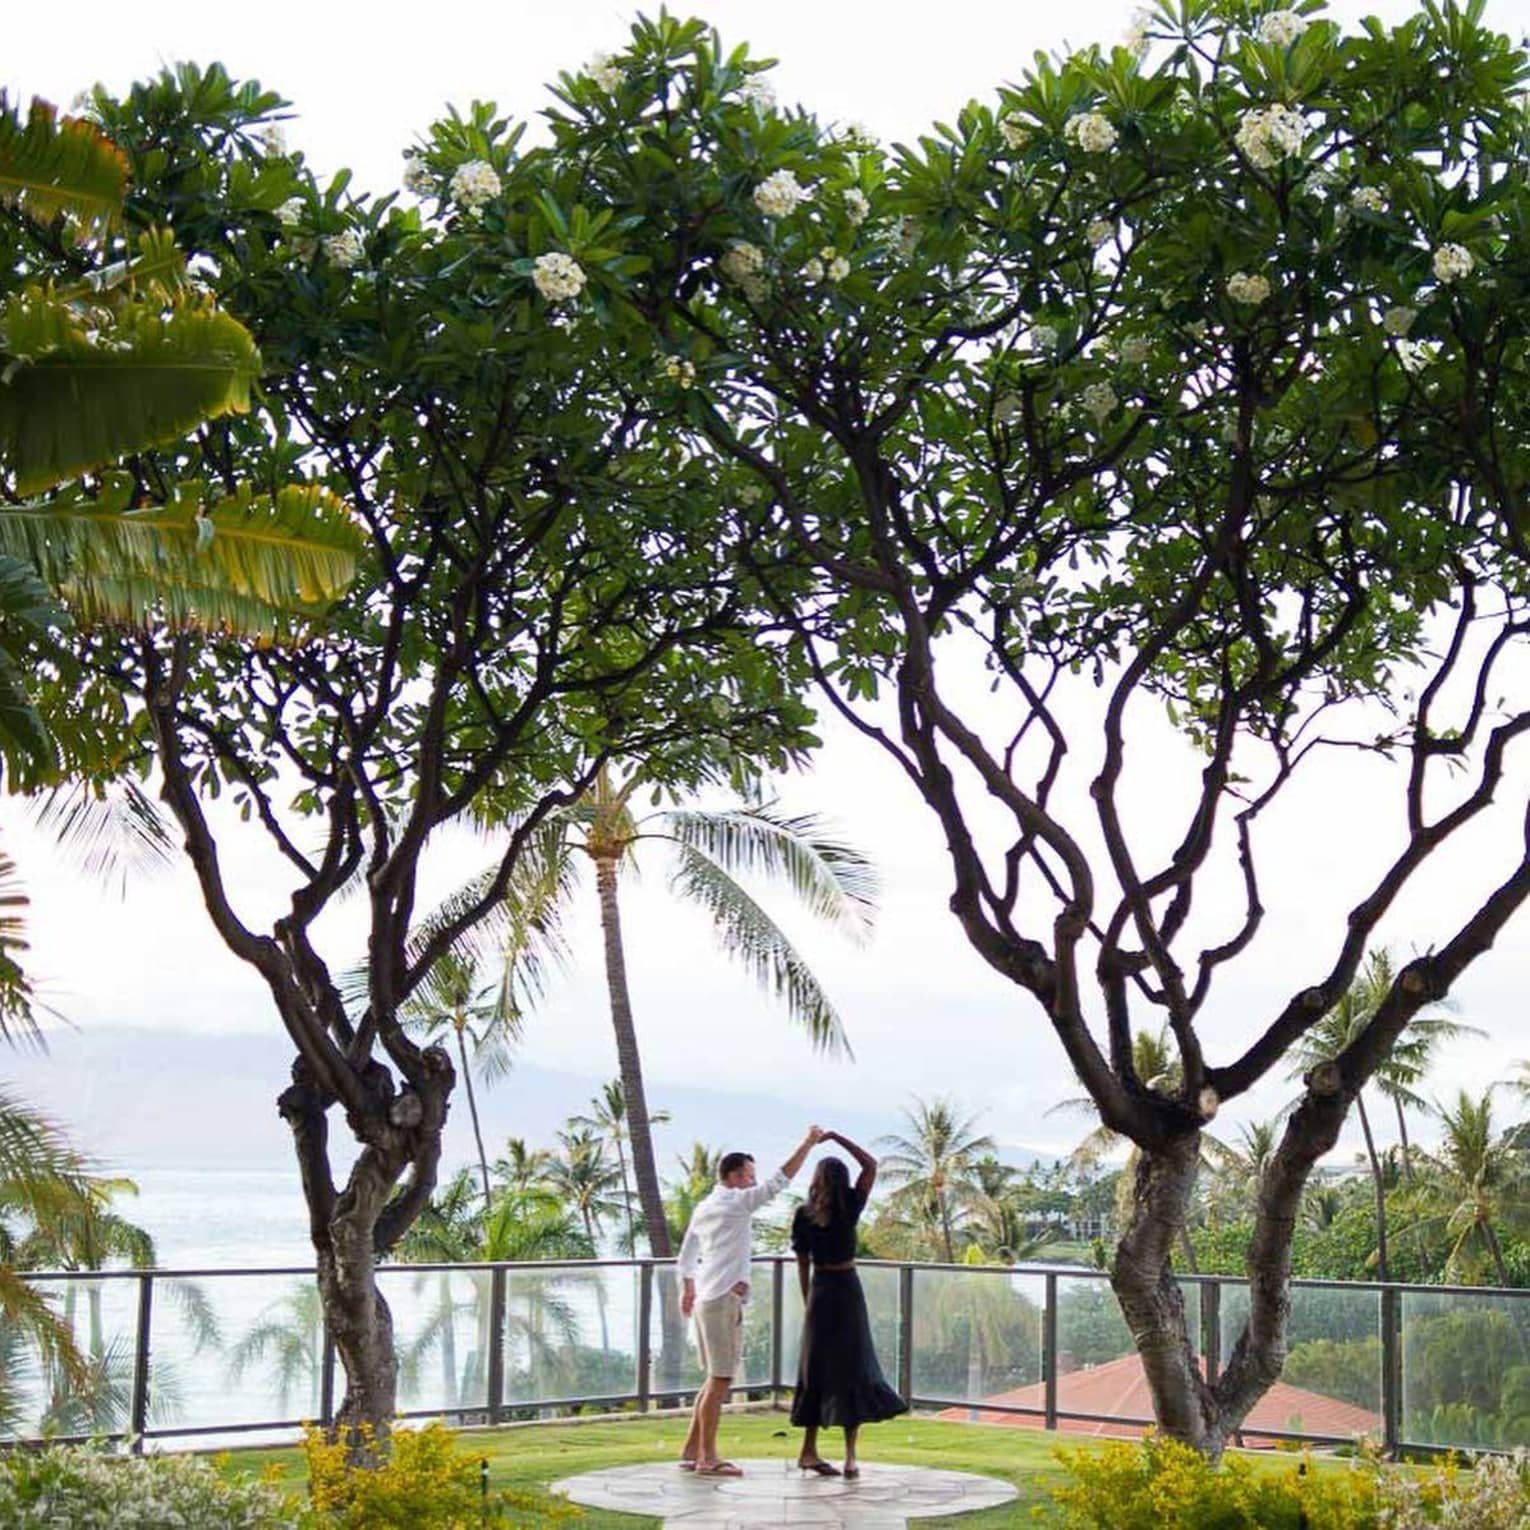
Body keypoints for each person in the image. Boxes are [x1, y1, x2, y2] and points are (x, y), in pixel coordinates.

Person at [677, 1124, 823, 1477]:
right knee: (721, 1380)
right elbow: (779, 1182)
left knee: (714, 1378)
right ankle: (708, 1458)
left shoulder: (704, 1207)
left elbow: (685, 1258)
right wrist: (808, 1142)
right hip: (721, 1302)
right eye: (748, 1176)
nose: (753, 1183)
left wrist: (688, 1289)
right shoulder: (735, 1204)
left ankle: (692, 1449)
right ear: (732, 1176)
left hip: (708, 1300)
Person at [790, 1129, 907, 1478]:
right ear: (841, 1180)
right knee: (852, 1367)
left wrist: (808, 1300)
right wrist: (837, 1138)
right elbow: (871, 1164)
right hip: (846, 1289)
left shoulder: (806, 1213)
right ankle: (849, 1456)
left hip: (822, 1291)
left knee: (817, 1370)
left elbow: (802, 1263)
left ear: (816, 1181)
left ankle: (809, 1450)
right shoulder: (850, 1206)